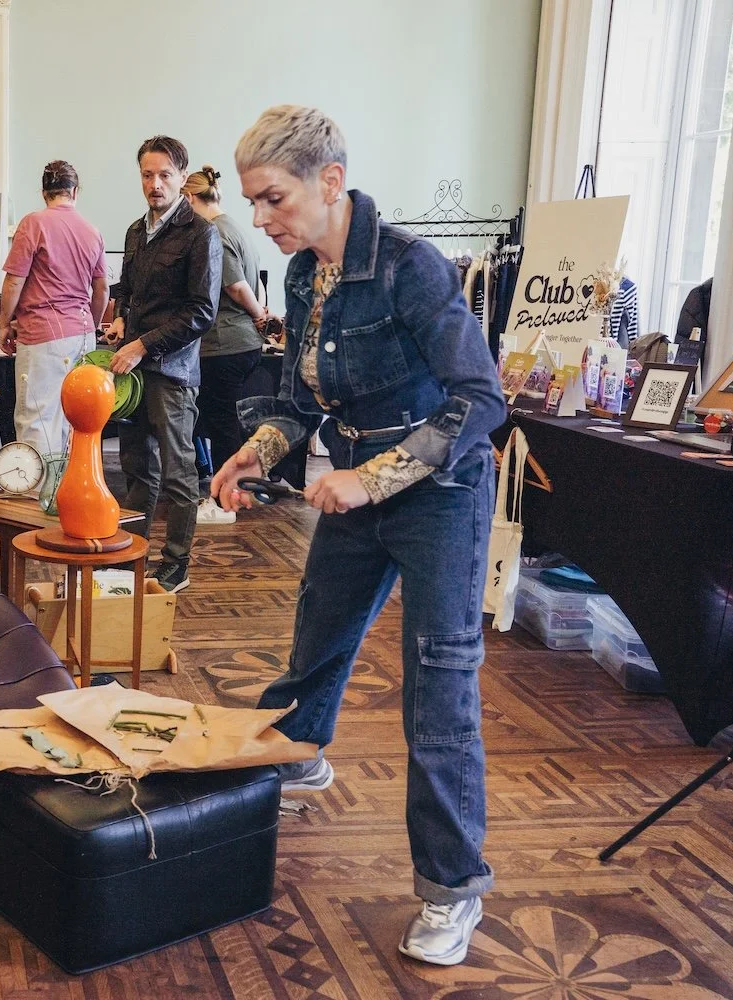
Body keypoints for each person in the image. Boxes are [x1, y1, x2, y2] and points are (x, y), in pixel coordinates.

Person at [211, 105, 505, 966]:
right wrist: (255, 448)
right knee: (317, 643)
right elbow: (305, 402)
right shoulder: (307, 275)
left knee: (437, 694)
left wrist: (371, 478)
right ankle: (298, 759)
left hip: (441, 495)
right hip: (353, 490)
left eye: (273, 200)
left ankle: (453, 890)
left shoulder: (413, 269)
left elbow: (480, 401)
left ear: (329, 182)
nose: (261, 220)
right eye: (254, 202)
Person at [108, 136, 222, 593]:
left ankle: (177, 563)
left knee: (178, 471)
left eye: (164, 175)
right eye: (146, 175)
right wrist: (119, 318)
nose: (154, 184)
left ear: (181, 177)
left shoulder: (201, 234)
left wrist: (143, 345)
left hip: (172, 370)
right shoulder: (137, 231)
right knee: (136, 465)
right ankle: (132, 553)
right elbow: (126, 287)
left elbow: (201, 311)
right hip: (133, 370)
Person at [180, 165, 273, 525]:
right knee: (224, 422)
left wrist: (258, 316)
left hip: (225, 344)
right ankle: (235, 490)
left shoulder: (213, 232)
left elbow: (236, 286)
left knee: (221, 426)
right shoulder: (233, 225)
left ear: (189, 198)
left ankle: (223, 501)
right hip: (239, 343)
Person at [0, 160, 107, 458]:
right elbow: (102, 289)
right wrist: (91, 326)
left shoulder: (35, 223)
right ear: (75, 191)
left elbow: (13, 282)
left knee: (37, 419)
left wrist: (5, 323)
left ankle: (37, 499)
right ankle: (67, 492)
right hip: (82, 335)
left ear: (44, 192)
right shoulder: (91, 230)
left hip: (44, 335)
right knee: (73, 419)